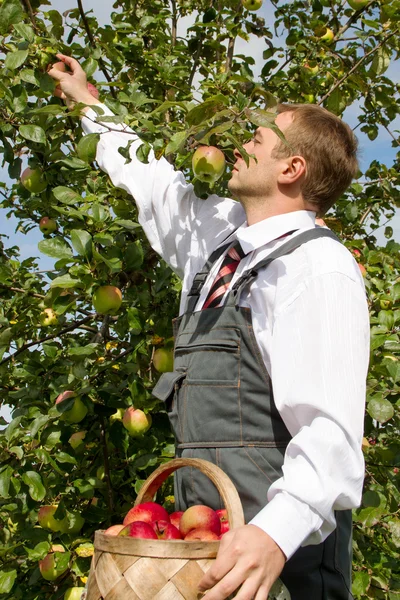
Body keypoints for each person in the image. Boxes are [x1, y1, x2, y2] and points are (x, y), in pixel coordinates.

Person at [48, 55, 370, 600]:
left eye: (260, 139)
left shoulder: (318, 267)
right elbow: (152, 182)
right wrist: (87, 103)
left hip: (279, 559)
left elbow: (330, 433)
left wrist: (275, 532)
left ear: (291, 169)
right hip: (203, 542)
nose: (240, 145)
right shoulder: (222, 240)